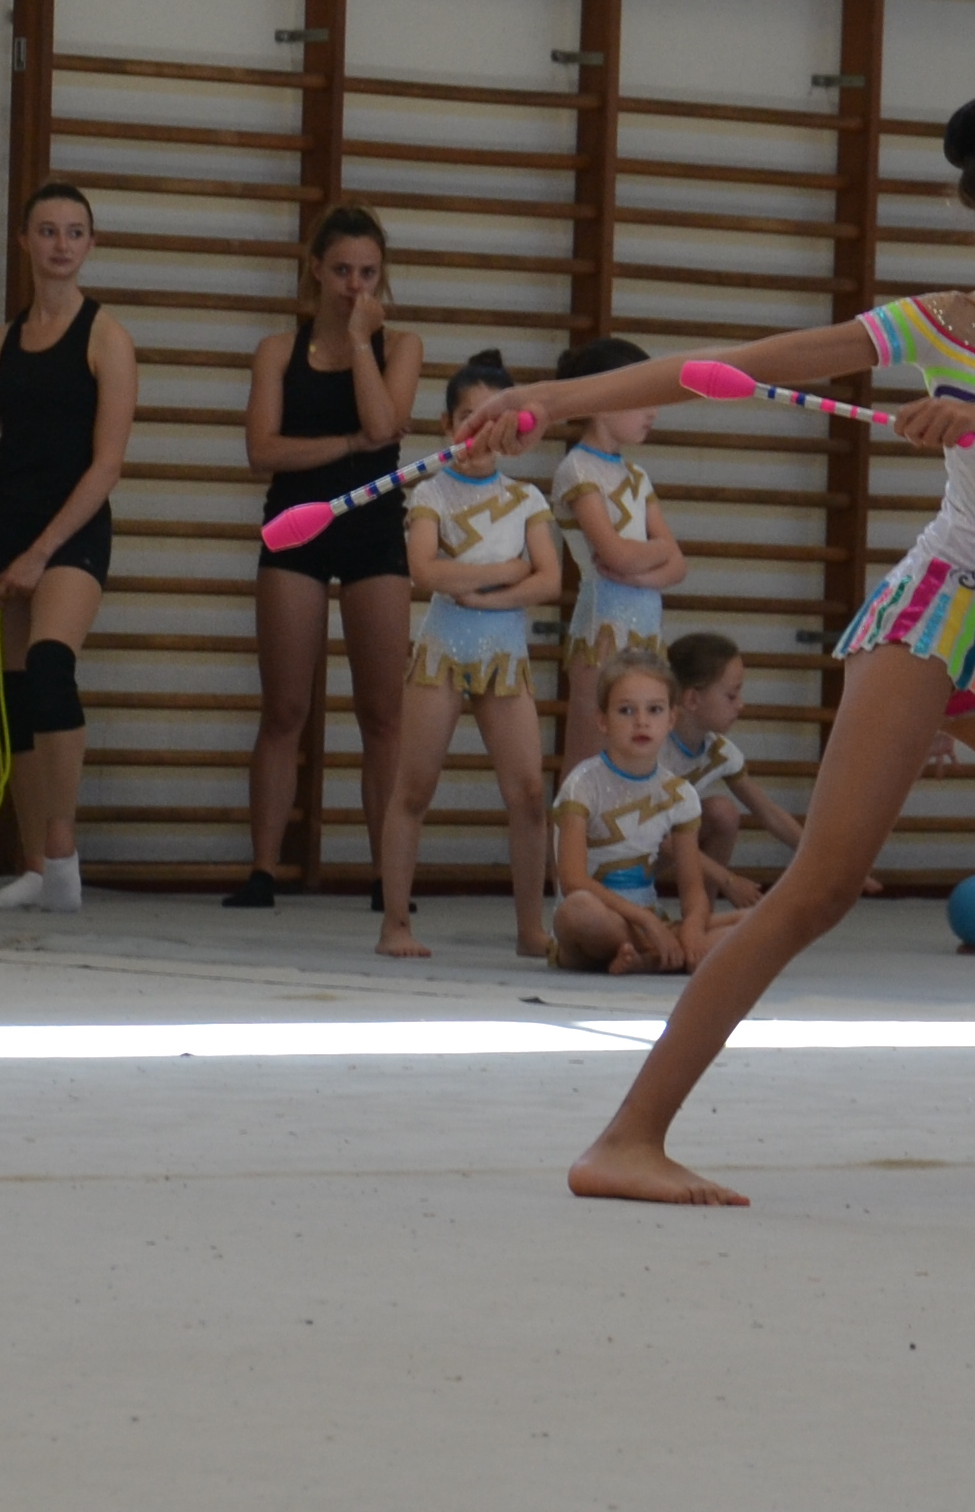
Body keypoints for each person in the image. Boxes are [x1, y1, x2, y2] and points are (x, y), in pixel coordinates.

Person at [474, 89, 975, 1208]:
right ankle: (626, 1139)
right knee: (818, 888)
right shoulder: (939, 325)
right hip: (930, 621)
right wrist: (550, 396)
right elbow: (725, 367)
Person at [233, 207, 424, 908]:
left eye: (368, 273)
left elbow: (384, 425)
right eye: (342, 270)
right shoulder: (277, 351)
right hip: (295, 527)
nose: (354, 286)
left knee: (382, 713)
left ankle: (387, 875)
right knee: (284, 707)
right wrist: (346, 447)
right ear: (315, 269)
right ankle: (263, 870)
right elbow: (263, 450)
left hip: (374, 530)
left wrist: (362, 344)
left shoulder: (400, 346)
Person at [0, 181, 137, 910]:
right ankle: (35, 864)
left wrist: (41, 552)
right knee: (14, 697)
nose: (61, 244)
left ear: (90, 244)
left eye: (74, 232)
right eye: (48, 230)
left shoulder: (107, 338)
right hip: (5, 528)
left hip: (73, 530)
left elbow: (107, 464)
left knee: (51, 668)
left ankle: (61, 847)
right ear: (25, 240)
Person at [376, 352, 565, 963]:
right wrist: (509, 571)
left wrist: (489, 591)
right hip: (442, 653)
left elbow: (549, 580)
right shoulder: (431, 491)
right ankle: (395, 924)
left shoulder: (526, 498)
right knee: (413, 789)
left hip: (503, 657)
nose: (480, 432)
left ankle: (531, 927)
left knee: (528, 794)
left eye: (493, 420)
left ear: (515, 429)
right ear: (446, 424)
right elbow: (425, 572)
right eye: (467, 418)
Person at [549, 338, 688, 777]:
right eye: (642, 399)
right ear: (603, 400)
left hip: (646, 628)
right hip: (601, 630)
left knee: (642, 764)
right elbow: (615, 553)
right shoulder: (577, 469)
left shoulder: (638, 476)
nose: (654, 412)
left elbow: (677, 564)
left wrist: (645, 573)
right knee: (587, 763)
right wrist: (655, 553)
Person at [552, 655, 739, 974]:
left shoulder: (680, 794)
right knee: (578, 911)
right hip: (604, 919)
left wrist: (692, 928)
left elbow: (693, 890)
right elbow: (573, 881)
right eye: (626, 711)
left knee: (758, 921)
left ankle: (645, 958)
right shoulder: (582, 785)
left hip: (653, 921)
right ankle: (655, 954)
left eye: (654, 710)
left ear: (671, 719)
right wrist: (646, 922)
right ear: (603, 721)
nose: (641, 722)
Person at [664, 630, 795, 905]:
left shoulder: (719, 751)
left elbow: (769, 813)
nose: (741, 705)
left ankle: (701, 913)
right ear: (692, 700)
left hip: (661, 847)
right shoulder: (651, 748)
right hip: (623, 858)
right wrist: (728, 880)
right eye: (731, 695)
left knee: (722, 812)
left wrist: (826, 862)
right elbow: (651, 836)